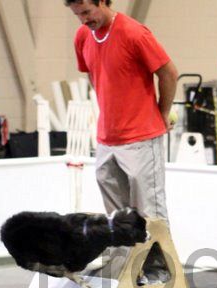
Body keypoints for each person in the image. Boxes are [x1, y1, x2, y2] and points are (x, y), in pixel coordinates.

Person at [65, 0, 178, 222]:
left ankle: (156, 258)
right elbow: (92, 74)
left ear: (102, 2)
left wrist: (163, 113)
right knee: (116, 218)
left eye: (87, 12)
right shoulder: (82, 36)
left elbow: (169, 74)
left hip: (141, 138)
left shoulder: (135, 33)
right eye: (78, 15)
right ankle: (120, 258)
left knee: (150, 212)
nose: (84, 20)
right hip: (106, 140)